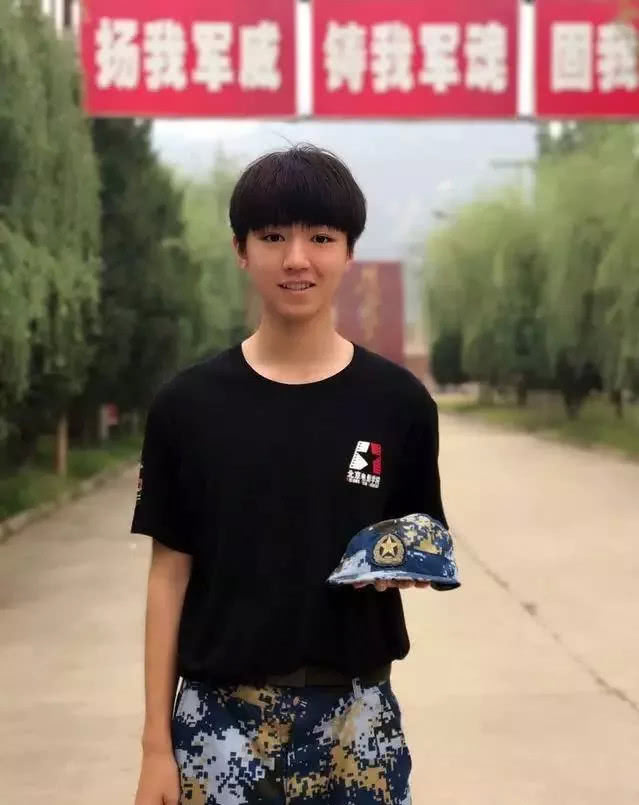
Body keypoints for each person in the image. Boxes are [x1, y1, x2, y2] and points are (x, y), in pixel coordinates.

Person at [132, 144, 449, 805]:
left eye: (320, 237)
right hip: (218, 725)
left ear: (348, 251)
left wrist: (406, 559)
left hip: (357, 721)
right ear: (241, 250)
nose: (296, 258)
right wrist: (156, 747)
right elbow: (168, 575)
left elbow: (419, 531)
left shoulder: (398, 404)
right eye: (273, 236)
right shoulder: (187, 407)